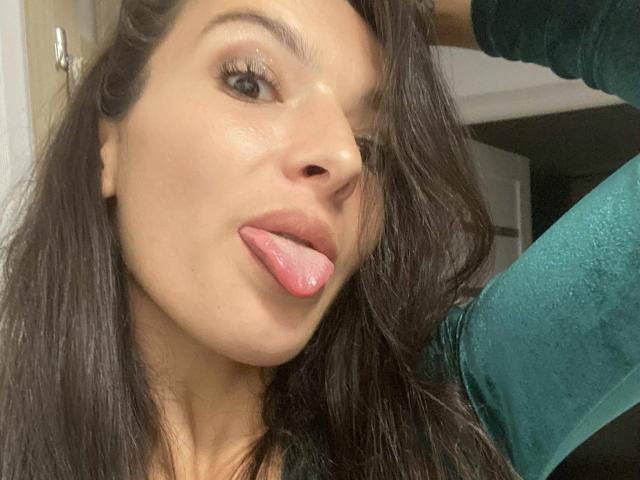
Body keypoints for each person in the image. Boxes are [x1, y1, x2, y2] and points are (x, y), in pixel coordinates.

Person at [0, 1, 636, 480]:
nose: (345, 159)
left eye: (371, 145)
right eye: (250, 81)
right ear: (105, 146)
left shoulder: (449, 419)